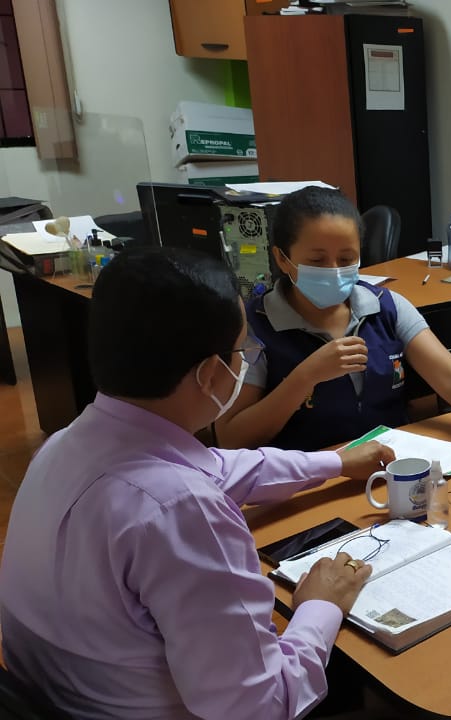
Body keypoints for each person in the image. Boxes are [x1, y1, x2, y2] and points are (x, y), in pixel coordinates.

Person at [0, 247, 394, 719]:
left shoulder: (67, 443)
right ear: (210, 373)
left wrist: (334, 463)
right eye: (242, 353)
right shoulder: (180, 508)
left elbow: (221, 468)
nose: (244, 363)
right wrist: (320, 605)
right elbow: (261, 707)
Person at [216, 187, 451, 481]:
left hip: (393, 473)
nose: (334, 270)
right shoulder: (255, 326)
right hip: (307, 483)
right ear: (282, 259)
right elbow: (231, 439)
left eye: (347, 259)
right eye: (317, 260)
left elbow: (450, 377)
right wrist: (304, 378)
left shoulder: (386, 306)